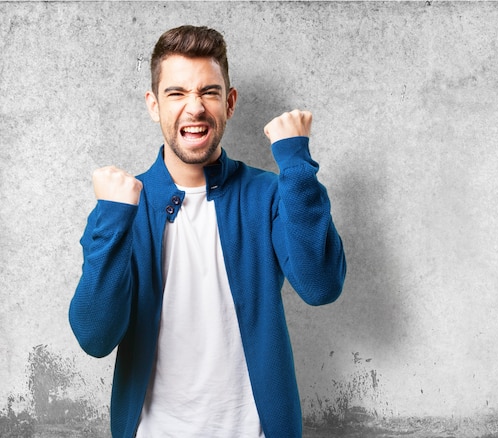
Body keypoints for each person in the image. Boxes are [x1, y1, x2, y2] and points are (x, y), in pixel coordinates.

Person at [69, 25, 346, 438]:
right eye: (176, 93)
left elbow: (320, 286)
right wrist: (112, 216)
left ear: (229, 103)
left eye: (209, 92)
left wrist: (296, 165)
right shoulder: (124, 207)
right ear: (153, 105)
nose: (194, 108)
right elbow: (94, 336)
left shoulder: (269, 194)